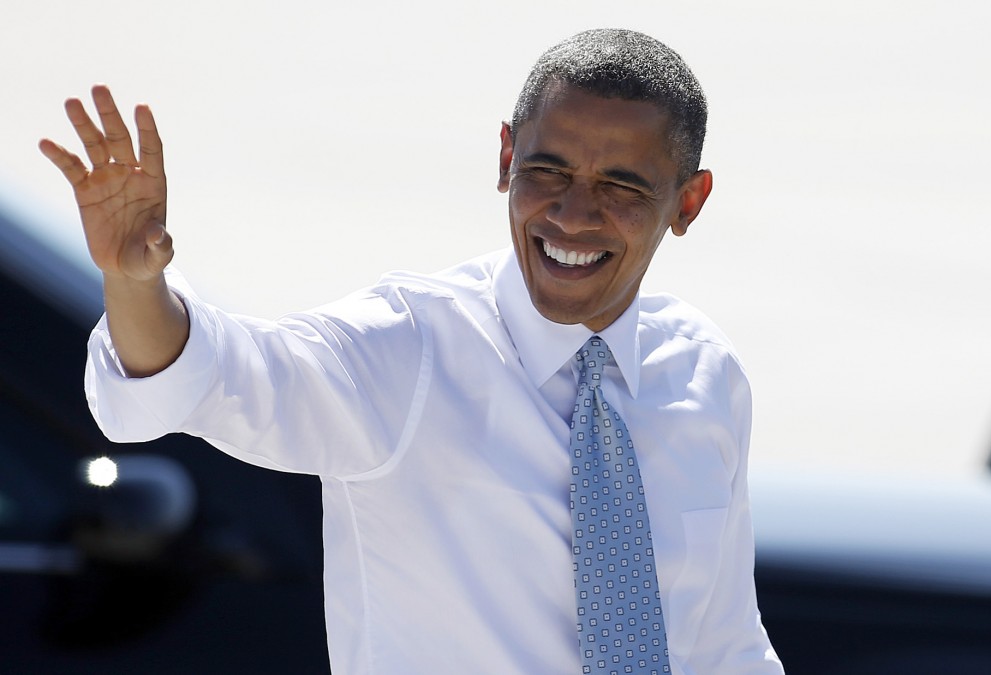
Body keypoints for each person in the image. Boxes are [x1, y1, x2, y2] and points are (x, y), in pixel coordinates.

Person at [41, 28, 783, 674]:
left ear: (688, 201)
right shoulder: (407, 351)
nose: (572, 213)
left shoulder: (703, 374)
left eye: (621, 185)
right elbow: (210, 375)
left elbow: (725, 644)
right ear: (505, 156)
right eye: (548, 170)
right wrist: (135, 282)